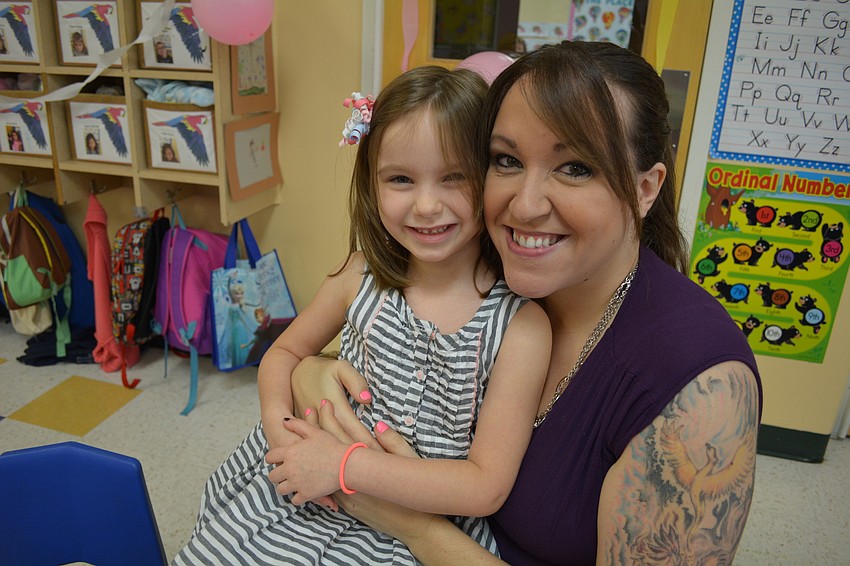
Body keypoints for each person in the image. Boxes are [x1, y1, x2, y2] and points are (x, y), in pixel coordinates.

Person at [289, 40, 763, 565]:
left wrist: (413, 527)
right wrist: (311, 371)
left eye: (576, 168)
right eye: (506, 160)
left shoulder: (700, 390)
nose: (525, 205)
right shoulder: (486, 264)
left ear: (646, 187)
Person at [173, 65, 551, 564]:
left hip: (410, 529)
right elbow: (285, 351)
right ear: (372, 184)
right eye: (400, 179)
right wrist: (278, 424)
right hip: (302, 495)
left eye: (454, 177)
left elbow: (484, 487)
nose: (426, 204)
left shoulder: (520, 327)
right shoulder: (359, 274)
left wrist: (345, 466)